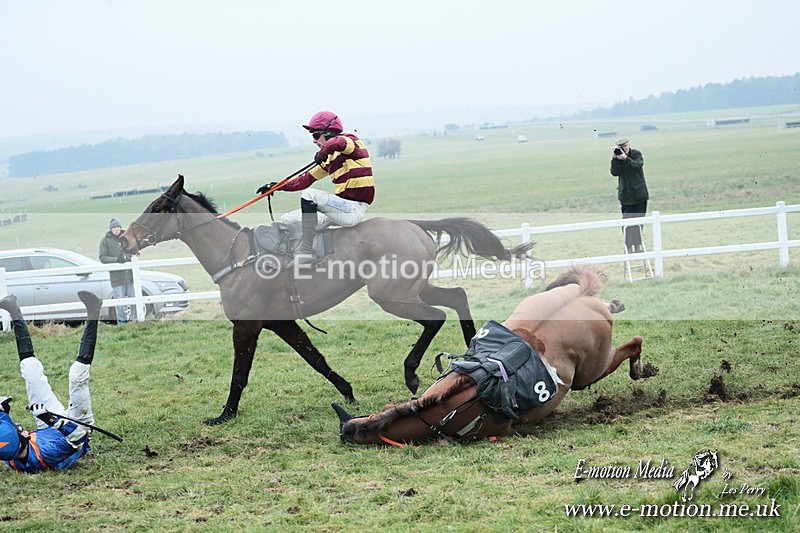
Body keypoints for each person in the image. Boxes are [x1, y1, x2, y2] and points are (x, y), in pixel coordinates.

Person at [0, 291, 103, 473]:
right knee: (77, 375)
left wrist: (3, 412)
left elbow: (5, 435)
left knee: (30, 369)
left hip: (48, 425)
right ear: (22, 440)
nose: (24, 430)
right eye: (20, 431)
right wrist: (51, 420)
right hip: (75, 428)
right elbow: (78, 439)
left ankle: (14, 310)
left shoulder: (10, 455)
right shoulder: (47, 453)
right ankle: (94, 311)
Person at [256, 111, 375, 265]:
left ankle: (306, 253)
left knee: (310, 195)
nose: (313, 141)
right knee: (288, 219)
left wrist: (323, 151)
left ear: (329, 132)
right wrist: (276, 187)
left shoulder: (351, 142)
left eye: (316, 135)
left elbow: (338, 142)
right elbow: (304, 180)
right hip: (339, 210)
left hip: (353, 209)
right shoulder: (329, 159)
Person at [610, 138, 649, 253]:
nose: (624, 148)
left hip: (639, 196)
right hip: (626, 197)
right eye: (622, 147)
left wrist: (626, 159)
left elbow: (637, 166)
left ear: (629, 145)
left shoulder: (636, 154)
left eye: (626, 146)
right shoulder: (617, 158)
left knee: (638, 222)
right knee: (626, 222)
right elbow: (614, 172)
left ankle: (637, 246)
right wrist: (615, 159)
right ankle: (628, 246)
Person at [99, 218, 136, 323]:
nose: (116, 229)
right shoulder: (105, 241)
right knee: (119, 301)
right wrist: (116, 260)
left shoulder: (126, 238)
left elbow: (134, 250)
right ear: (111, 229)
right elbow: (102, 257)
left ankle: (134, 320)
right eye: (114, 228)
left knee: (133, 298)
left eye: (117, 227)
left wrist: (127, 258)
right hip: (116, 277)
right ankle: (122, 321)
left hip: (129, 276)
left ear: (120, 228)